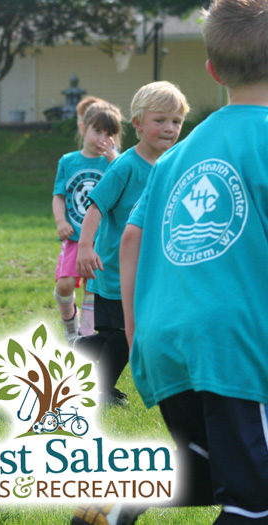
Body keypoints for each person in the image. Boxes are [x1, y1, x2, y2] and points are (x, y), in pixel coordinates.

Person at [116, 0, 268, 523]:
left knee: (211, 464)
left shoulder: (176, 156)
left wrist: (137, 337)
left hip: (167, 345)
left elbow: (131, 240)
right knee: (257, 503)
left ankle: (125, 495)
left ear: (211, 70)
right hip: (239, 350)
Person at [74, 81, 190, 408]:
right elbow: (96, 205)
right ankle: (102, 388)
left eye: (176, 121)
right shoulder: (125, 164)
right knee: (125, 335)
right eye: (160, 120)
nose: (169, 128)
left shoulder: (173, 164)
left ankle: (85, 348)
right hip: (113, 267)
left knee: (124, 331)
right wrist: (85, 247)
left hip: (152, 266)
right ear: (138, 124)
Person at [53, 102, 122, 343]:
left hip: (102, 241)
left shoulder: (116, 163)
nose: (103, 138)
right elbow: (59, 195)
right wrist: (61, 221)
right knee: (65, 285)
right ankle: (69, 321)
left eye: (110, 134)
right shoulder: (68, 161)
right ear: (83, 128)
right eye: (98, 131)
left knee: (92, 290)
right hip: (74, 238)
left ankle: (83, 337)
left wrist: (115, 159)